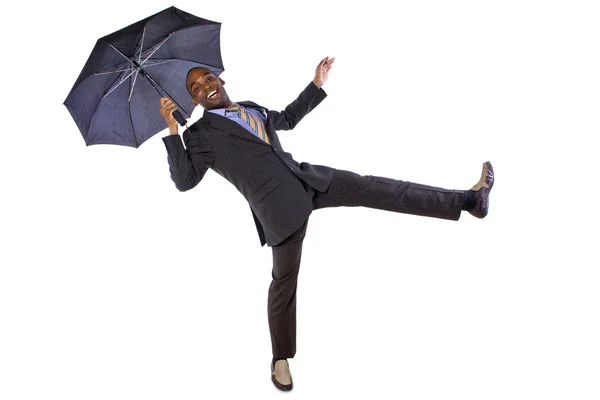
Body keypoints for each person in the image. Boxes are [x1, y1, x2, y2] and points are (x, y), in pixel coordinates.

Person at [159, 56, 494, 391]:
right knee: (283, 286)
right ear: (193, 100)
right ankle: (280, 358)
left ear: (220, 80)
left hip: (308, 180)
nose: (205, 88)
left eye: (207, 80)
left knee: (375, 186)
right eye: (196, 88)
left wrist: (316, 84)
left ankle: (469, 200)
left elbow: (286, 119)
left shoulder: (249, 107)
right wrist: (173, 130)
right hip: (279, 210)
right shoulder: (201, 135)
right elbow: (185, 180)